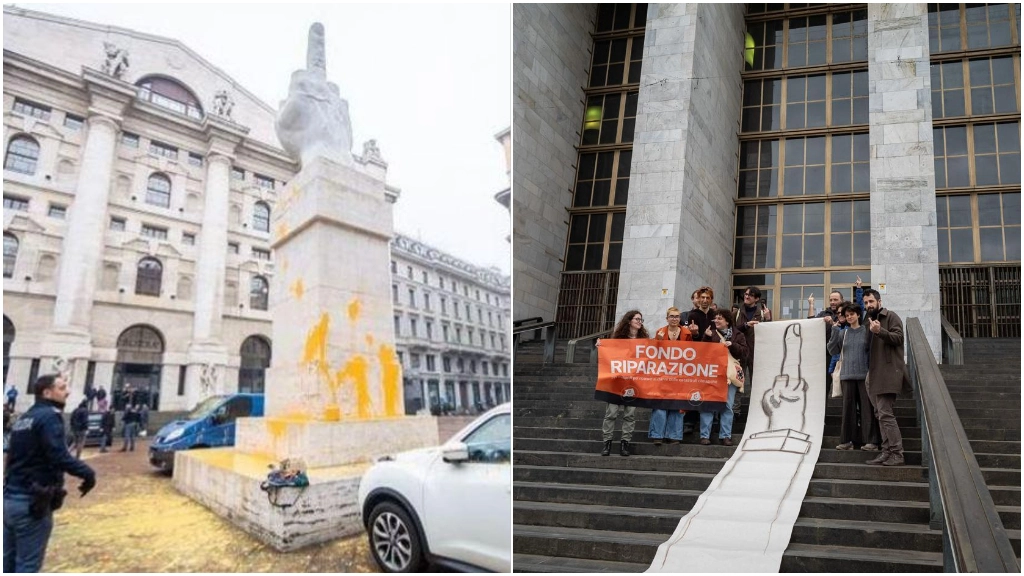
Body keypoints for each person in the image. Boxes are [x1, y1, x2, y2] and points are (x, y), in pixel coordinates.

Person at [4, 374, 96, 573]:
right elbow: (59, 455)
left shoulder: (24, 418)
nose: (68, 392)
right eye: (62, 388)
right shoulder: (50, 416)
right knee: (27, 565)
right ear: (47, 392)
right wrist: (87, 473)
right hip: (32, 502)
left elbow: (10, 459)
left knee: (8, 563)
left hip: (11, 499)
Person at [863, 289, 912, 467]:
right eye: (866, 302)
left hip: (888, 372)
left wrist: (880, 331)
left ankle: (897, 454)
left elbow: (898, 338)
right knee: (879, 414)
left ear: (879, 301)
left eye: (871, 302)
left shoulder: (891, 316)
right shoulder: (867, 320)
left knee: (885, 413)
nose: (868, 305)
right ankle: (886, 452)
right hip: (873, 373)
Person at [827, 303, 880, 452]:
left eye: (852, 314)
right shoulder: (842, 333)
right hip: (846, 375)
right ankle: (847, 441)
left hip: (864, 375)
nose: (849, 317)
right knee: (847, 410)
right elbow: (832, 350)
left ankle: (871, 441)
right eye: (846, 315)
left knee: (867, 409)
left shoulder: (866, 331)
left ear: (858, 314)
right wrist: (834, 331)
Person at [595, 310, 649, 457]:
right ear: (629, 321)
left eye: (641, 319)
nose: (639, 322)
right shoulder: (618, 339)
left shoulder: (644, 340)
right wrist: (601, 346)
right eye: (637, 319)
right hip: (616, 382)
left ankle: (625, 443)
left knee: (630, 414)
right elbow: (608, 354)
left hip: (634, 382)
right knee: (611, 413)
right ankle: (607, 443)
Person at [698, 310, 749, 446]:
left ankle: (725, 436)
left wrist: (733, 345)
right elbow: (702, 352)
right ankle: (704, 435)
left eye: (719, 318)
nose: (716, 320)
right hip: (713, 374)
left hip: (729, 375)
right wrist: (707, 337)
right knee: (708, 405)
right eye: (715, 318)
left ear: (727, 321)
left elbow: (745, 353)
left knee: (727, 406)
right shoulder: (710, 333)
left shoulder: (738, 335)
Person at [649, 307, 691, 446]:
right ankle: (657, 435)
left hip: (680, 373)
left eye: (677, 316)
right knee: (660, 403)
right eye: (672, 316)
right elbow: (653, 353)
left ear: (680, 319)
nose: (674, 319)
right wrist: (658, 341)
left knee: (677, 404)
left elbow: (693, 352)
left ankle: (674, 435)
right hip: (662, 373)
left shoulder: (686, 332)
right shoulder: (660, 332)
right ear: (667, 318)